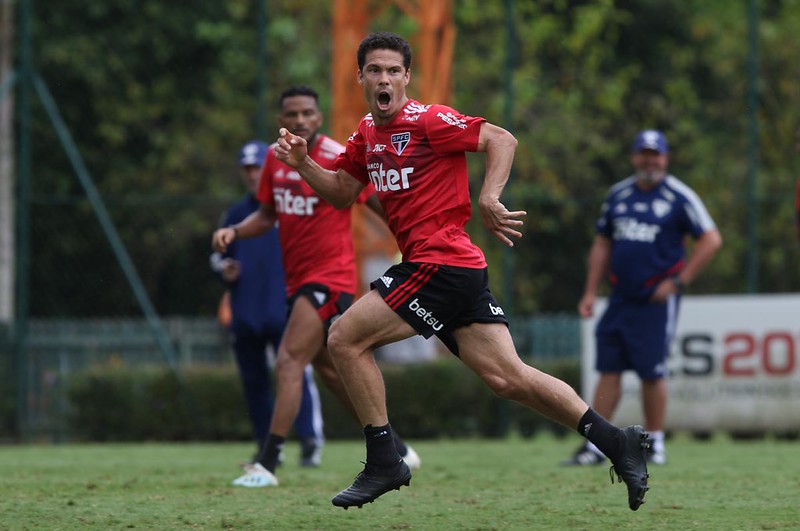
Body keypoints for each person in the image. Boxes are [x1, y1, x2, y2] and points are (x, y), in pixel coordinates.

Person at [273, 32, 651, 512]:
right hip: (452, 271)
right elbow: (343, 192)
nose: (384, 78)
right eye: (375, 70)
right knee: (508, 378)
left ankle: (384, 459)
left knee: (345, 336)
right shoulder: (366, 133)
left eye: (393, 70)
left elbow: (501, 138)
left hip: (440, 263)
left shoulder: (428, 119)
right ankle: (618, 442)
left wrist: (490, 196)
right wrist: (305, 163)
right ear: (361, 78)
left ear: (407, 77)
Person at [212, 86, 420, 488]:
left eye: (308, 113)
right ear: (281, 120)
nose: (300, 120)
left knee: (289, 359)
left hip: (331, 278)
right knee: (332, 370)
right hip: (300, 280)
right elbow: (267, 215)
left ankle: (267, 463)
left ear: (318, 117)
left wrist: (411, 234)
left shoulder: (336, 157)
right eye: (292, 114)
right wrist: (234, 231)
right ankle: (394, 445)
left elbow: (376, 202)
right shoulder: (276, 160)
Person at [563, 129, 722, 468]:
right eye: (643, 154)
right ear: (634, 157)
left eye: (656, 154)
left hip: (656, 300)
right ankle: (596, 445)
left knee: (652, 371)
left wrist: (679, 282)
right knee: (609, 368)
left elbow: (710, 239)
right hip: (620, 297)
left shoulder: (679, 196)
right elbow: (602, 243)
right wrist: (591, 291)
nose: (650, 160)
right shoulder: (618, 195)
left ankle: (655, 443)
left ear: (665, 158)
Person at [210, 140, 324, 481]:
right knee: (254, 382)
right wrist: (223, 269)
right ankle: (266, 444)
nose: (252, 173)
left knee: (295, 373)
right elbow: (217, 255)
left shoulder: (287, 206)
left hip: (285, 309)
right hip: (245, 313)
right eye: (247, 168)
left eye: (257, 166)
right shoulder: (234, 214)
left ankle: (309, 439)